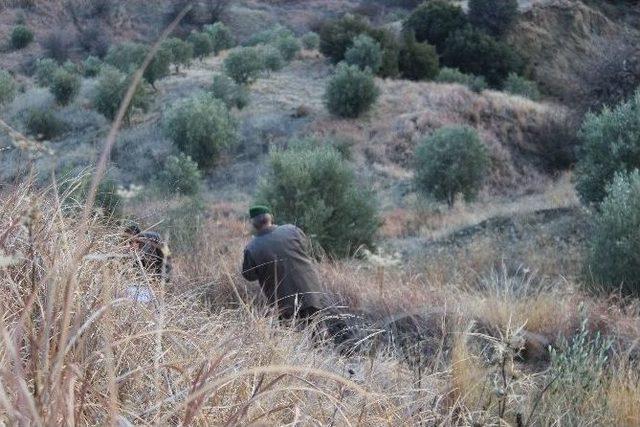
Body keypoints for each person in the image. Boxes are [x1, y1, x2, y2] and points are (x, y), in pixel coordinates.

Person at [241, 206, 327, 321]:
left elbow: (249, 276)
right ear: (270, 218)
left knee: (290, 335)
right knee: (319, 332)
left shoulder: (251, 248)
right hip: (311, 293)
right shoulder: (292, 230)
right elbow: (306, 249)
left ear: (253, 224)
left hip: (283, 303)